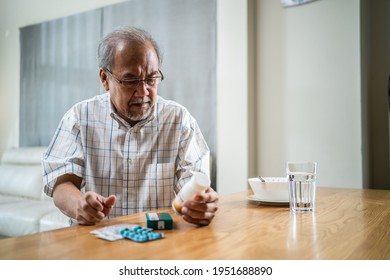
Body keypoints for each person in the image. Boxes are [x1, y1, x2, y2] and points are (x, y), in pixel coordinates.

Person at [42, 26, 218, 226]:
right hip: (97, 242)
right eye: (131, 80)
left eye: (151, 79)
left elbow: (194, 185)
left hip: (159, 241)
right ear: (104, 79)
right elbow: (62, 183)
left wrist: (201, 204)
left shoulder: (179, 120)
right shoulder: (80, 118)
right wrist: (79, 204)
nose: (143, 91)